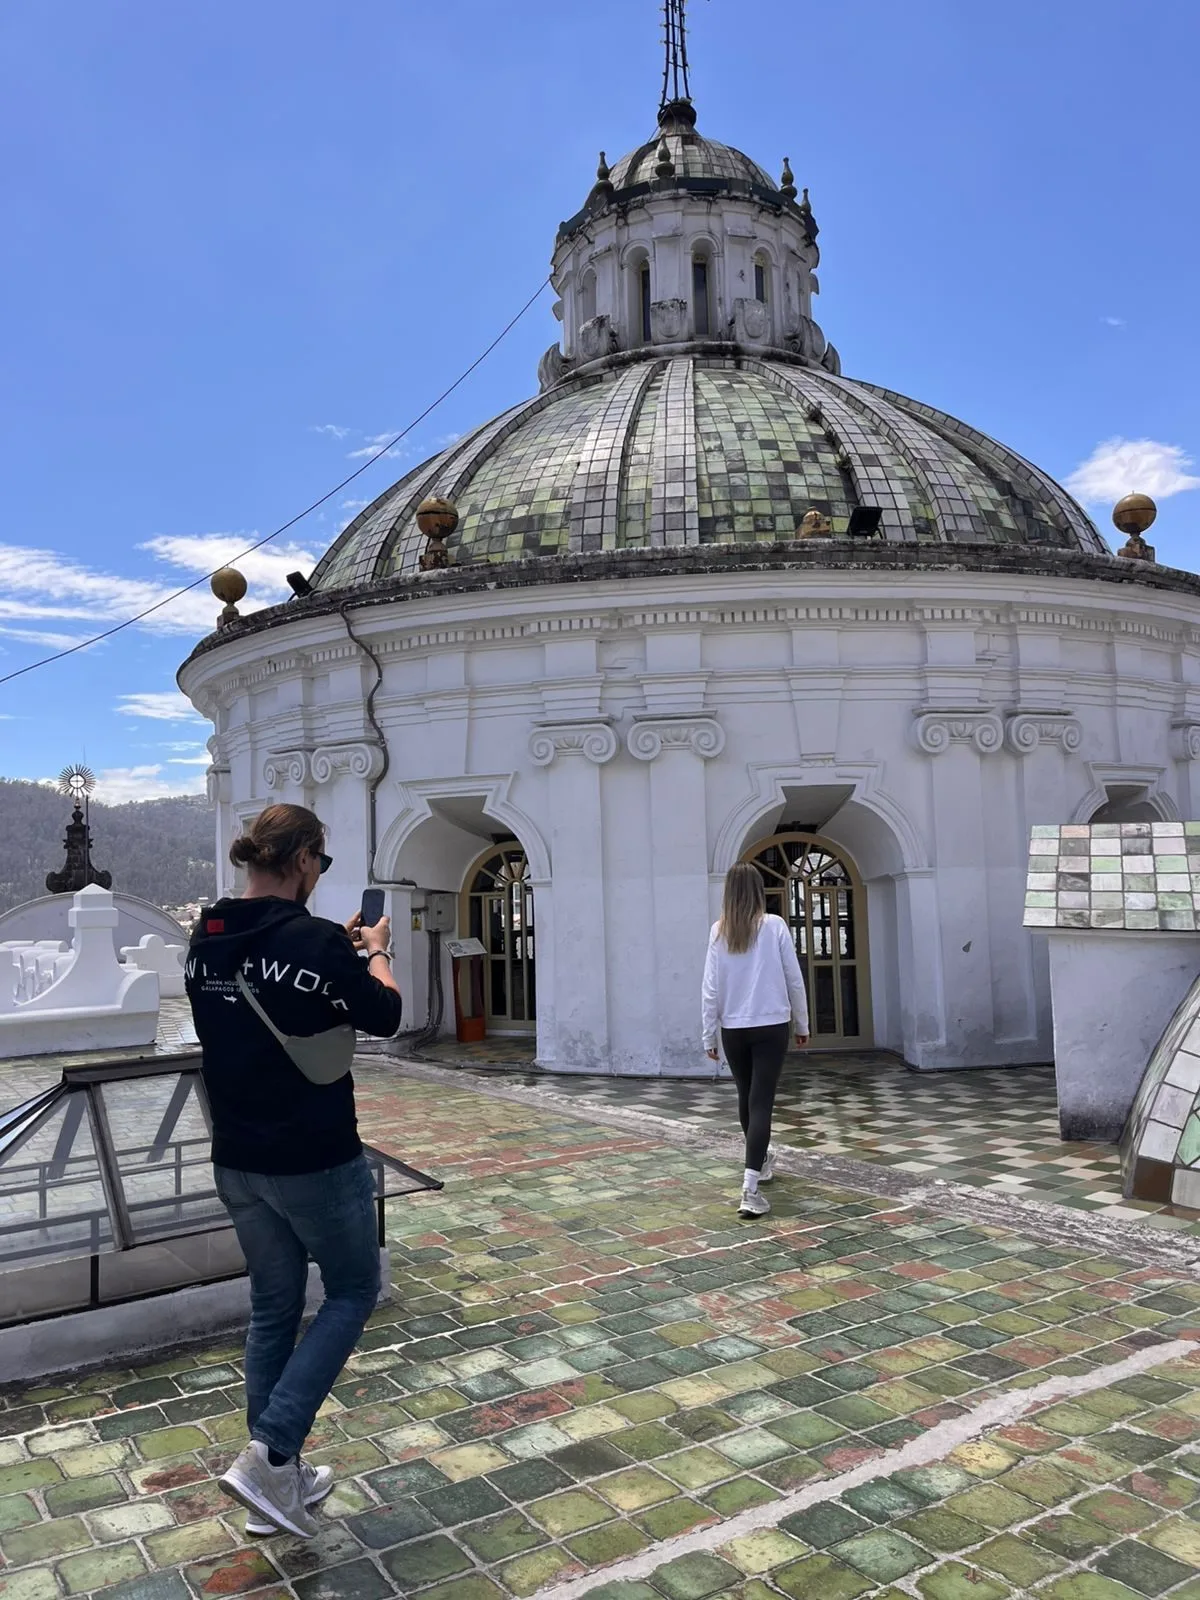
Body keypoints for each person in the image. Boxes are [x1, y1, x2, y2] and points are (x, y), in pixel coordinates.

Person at [185, 804, 403, 1539]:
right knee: (352, 1289)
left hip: (237, 1157)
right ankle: (270, 1453)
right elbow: (385, 1014)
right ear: (305, 858)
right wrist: (372, 950)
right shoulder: (316, 942)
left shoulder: (204, 936)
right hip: (313, 1155)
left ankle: (276, 1488)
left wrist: (332, 955)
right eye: (322, 862)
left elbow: (266, 986)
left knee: (274, 1308)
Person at [701, 862, 809, 1218]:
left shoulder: (719, 931)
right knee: (761, 1100)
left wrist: (708, 1034)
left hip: (734, 1028)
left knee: (747, 1097)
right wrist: (802, 1022)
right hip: (771, 1024)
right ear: (758, 891)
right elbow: (794, 978)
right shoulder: (775, 926)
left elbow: (710, 990)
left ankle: (759, 1163)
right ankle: (749, 1188)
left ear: (729, 892)